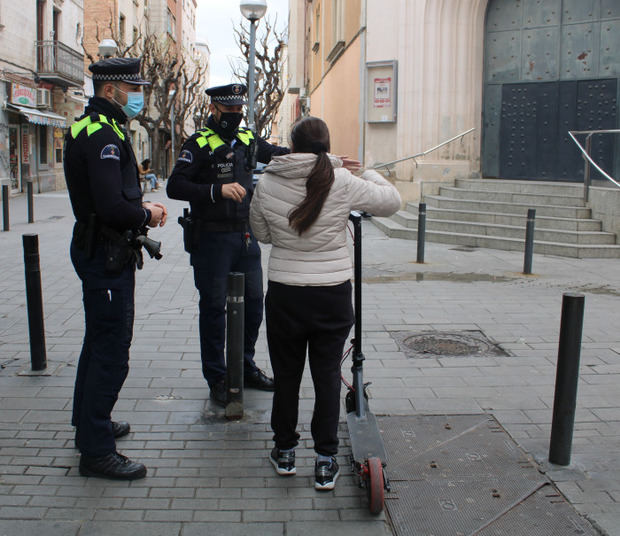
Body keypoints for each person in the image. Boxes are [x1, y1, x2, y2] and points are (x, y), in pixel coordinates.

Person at [249, 116, 401, 490]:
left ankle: (284, 452)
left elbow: (261, 234)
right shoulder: (343, 181)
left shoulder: (268, 182)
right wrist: (368, 172)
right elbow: (392, 202)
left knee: (286, 377)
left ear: (292, 145)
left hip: (285, 293)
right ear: (327, 146)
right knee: (327, 377)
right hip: (331, 294)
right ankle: (324, 460)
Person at [63, 57, 167, 480]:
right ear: (111, 91)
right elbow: (110, 206)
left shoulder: (88, 127)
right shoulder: (103, 136)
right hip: (106, 253)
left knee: (97, 343)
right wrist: (147, 213)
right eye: (132, 88)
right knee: (112, 352)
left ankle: (89, 426)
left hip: (97, 250)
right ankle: (97, 452)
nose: (137, 96)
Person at [166, 83, 289, 406]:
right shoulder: (199, 144)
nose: (234, 116)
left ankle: (245, 366)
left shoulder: (247, 139)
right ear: (213, 110)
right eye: (228, 111)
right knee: (213, 308)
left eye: (238, 111)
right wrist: (215, 191)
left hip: (245, 236)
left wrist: (322, 157)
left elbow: (279, 157)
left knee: (254, 304)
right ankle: (217, 376)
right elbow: (175, 185)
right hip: (212, 239)